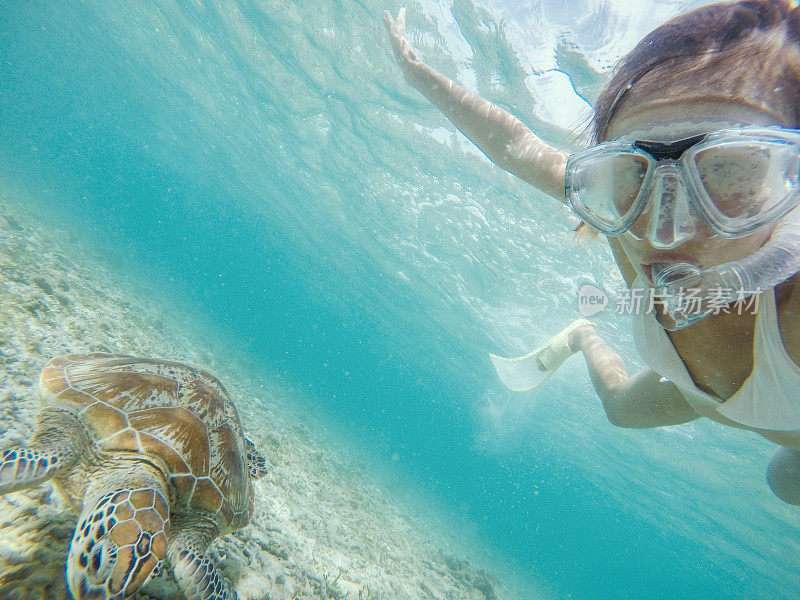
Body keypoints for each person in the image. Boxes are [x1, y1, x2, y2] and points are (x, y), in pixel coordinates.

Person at [384, 0, 800, 504]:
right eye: (629, 176)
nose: (665, 231)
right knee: (620, 409)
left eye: (730, 170)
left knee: (785, 484)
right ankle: (583, 336)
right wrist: (418, 76)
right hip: (700, 395)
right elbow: (515, 146)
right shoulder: (613, 212)